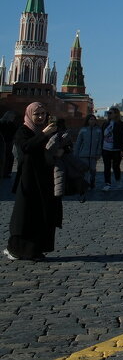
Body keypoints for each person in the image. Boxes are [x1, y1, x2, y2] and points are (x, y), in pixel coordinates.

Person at [5, 103, 64, 261]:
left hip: (46, 178)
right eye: (37, 114)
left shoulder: (49, 129)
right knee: (25, 215)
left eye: (43, 114)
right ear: (29, 114)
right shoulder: (23, 130)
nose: (40, 117)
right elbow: (26, 147)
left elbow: (62, 144)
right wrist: (44, 134)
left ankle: (36, 250)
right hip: (29, 178)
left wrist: (62, 150)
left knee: (43, 214)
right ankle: (16, 249)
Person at [74, 114, 103, 190]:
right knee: (85, 171)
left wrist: (98, 153)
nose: (92, 121)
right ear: (87, 120)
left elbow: (100, 143)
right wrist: (76, 154)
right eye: (91, 119)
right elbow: (78, 143)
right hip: (83, 154)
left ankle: (92, 181)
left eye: (94, 119)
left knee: (93, 170)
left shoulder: (98, 130)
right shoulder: (83, 130)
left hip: (93, 155)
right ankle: (85, 184)